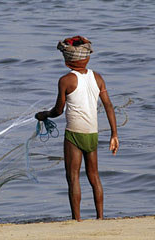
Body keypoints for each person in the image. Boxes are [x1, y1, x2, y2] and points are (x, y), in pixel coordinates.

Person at [35, 36, 119, 221]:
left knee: (73, 177)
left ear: (66, 62)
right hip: (92, 135)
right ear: (87, 58)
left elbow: (58, 110)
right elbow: (109, 106)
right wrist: (114, 134)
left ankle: (77, 219)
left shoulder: (65, 80)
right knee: (94, 176)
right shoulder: (97, 78)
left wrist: (44, 115)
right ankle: (100, 218)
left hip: (74, 135)